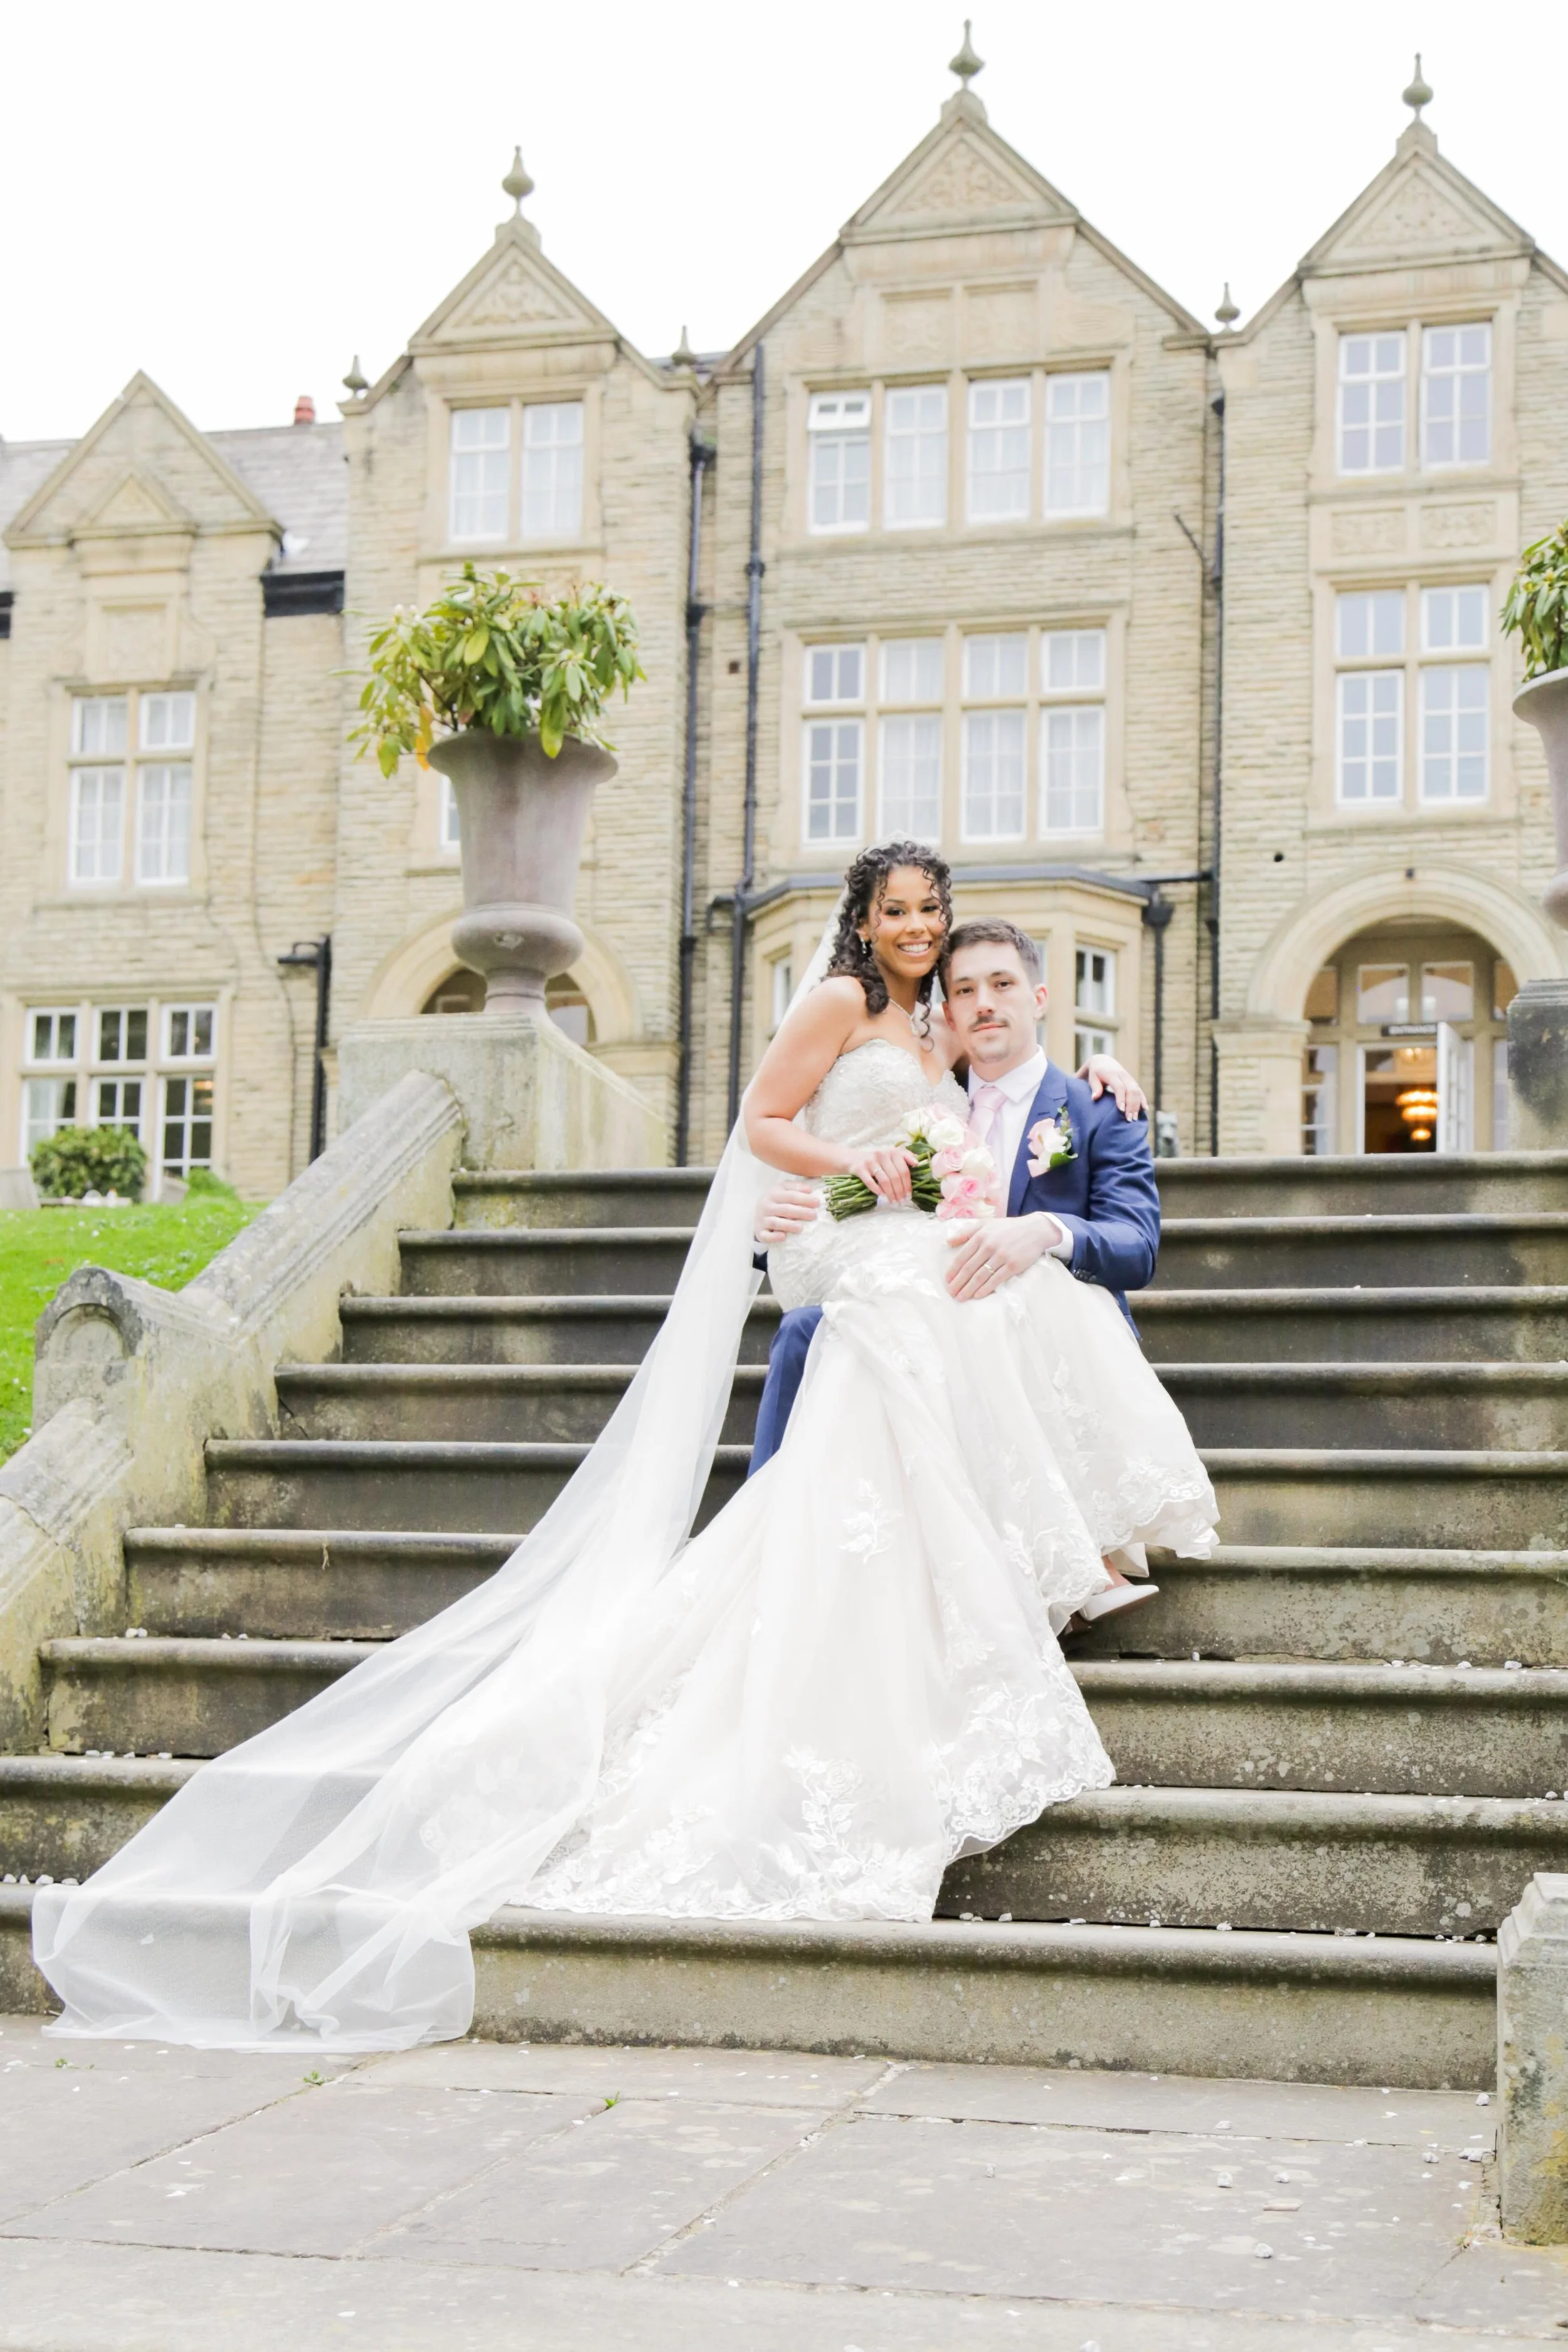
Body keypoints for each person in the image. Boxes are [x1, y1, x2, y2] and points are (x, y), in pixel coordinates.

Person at [33, 839, 1215, 2053]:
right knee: (902, 1339)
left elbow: (1002, 1085)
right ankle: (1030, 1578)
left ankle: (1043, 1564)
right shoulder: (841, 1001)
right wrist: (846, 1167)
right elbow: (765, 1121)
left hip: (911, 1244)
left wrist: (1103, 1069)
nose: (918, 929)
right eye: (896, 911)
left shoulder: (933, 1021)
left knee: (961, 1317)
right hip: (874, 1263)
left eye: (931, 911)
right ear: (864, 918)